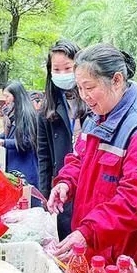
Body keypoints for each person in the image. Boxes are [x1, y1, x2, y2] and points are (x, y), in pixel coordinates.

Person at [48, 44, 137, 273]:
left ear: (116, 80)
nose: (84, 96)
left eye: (90, 87)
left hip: (130, 256)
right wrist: (66, 182)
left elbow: (135, 200)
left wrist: (88, 231)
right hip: (98, 250)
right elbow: (79, 158)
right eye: (79, 88)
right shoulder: (98, 115)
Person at [37, 40, 88, 239]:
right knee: (68, 237)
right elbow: (43, 156)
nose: (62, 74)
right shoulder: (47, 108)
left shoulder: (94, 100)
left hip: (89, 180)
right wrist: (44, 194)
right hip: (63, 184)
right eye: (56, 69)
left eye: (67, 68)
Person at [0, 80, 39, 189]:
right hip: (13, 165)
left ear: (16, 95)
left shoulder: (27, 114)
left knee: (26, 196)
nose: (5, 100)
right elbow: (10, 134)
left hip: (25, 167)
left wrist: (3, 142)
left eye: (7, 96)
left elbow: (27, 142)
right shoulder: (12, 113)